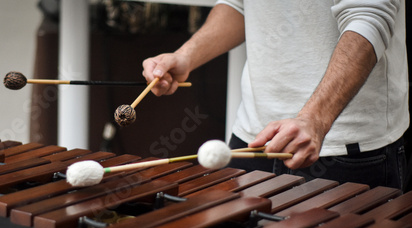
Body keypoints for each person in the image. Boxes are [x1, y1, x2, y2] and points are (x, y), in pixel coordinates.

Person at [142, 0, 409, 190]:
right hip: (251, 140)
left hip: (342, 148)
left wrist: (315, 120)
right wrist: (185, 56)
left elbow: (369, 15)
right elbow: (240, 5)